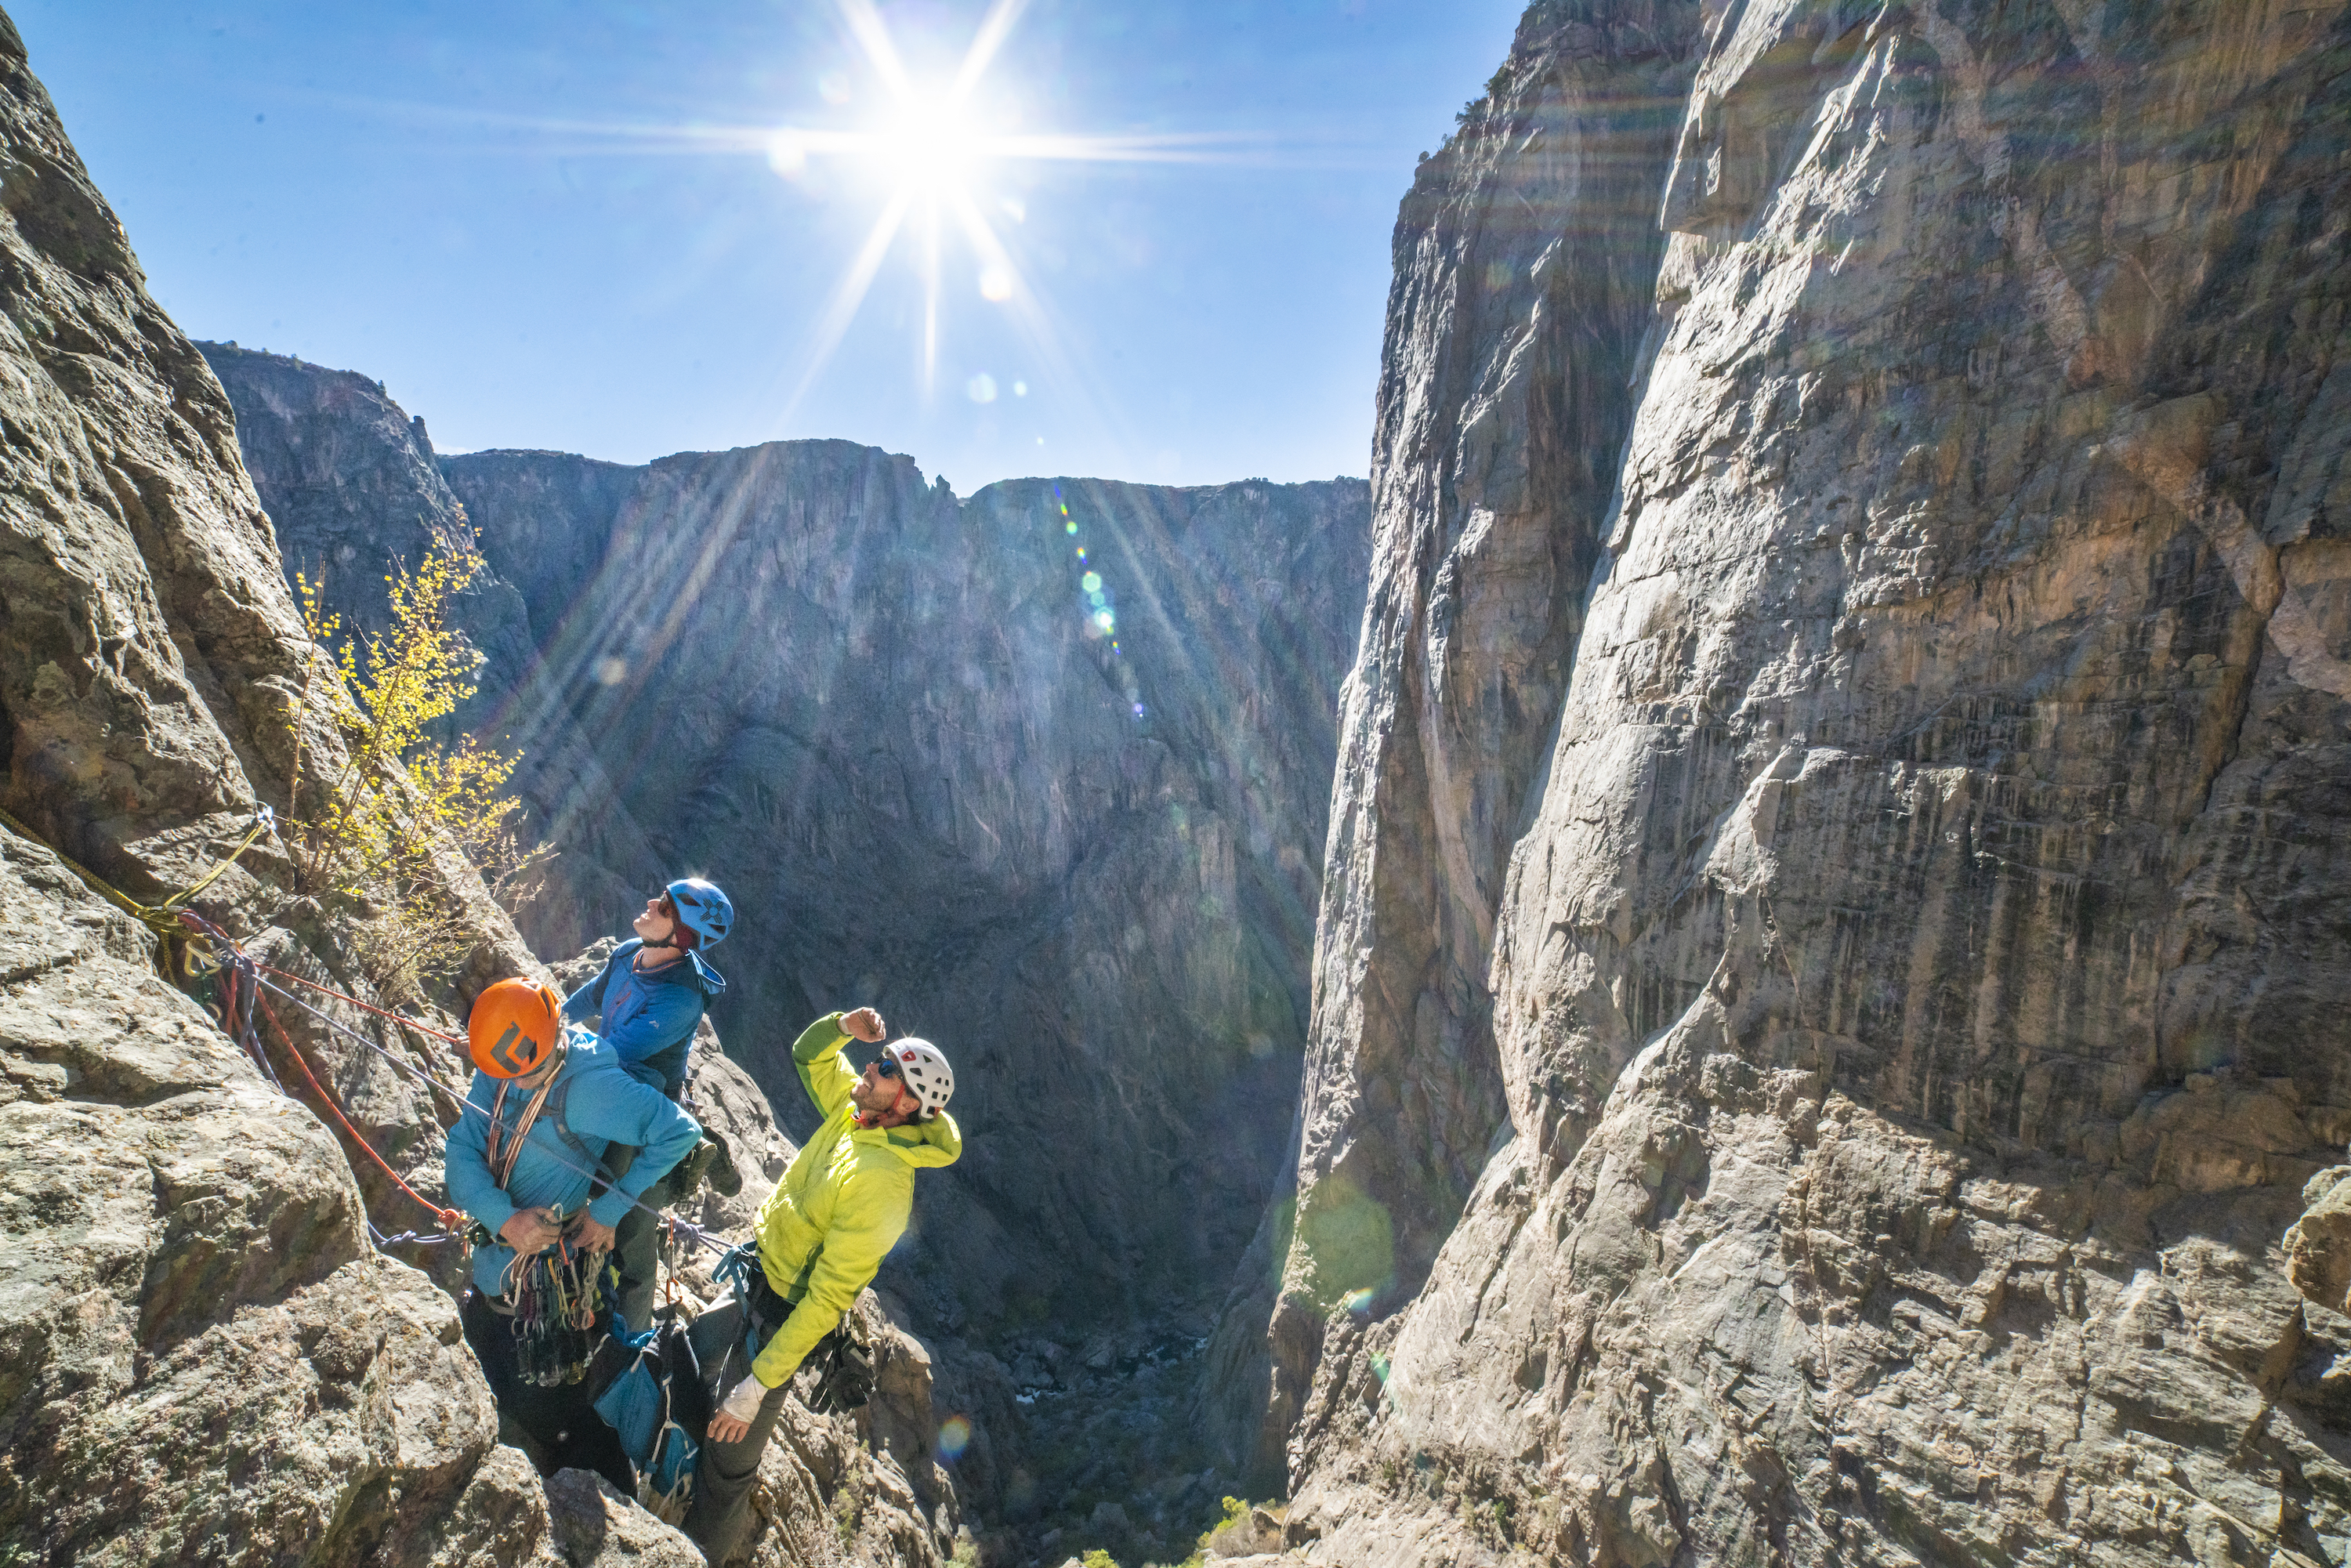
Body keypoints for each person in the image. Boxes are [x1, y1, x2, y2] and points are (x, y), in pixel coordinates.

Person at [683, 1005, 962, 1563]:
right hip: (755, 1277)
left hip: (780, 1319)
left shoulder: (883, 1186)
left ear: (908, 1104)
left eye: (887, 1069)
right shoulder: (856, 1113)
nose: (871, 1067)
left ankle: (692, 1553)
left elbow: (826, 1300)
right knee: (685, 1364)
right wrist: (843, 1026)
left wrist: (758, 1384)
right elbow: (808, 1056)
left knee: (728, 1466)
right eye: (878, 1058)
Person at [444, 976, 703, 1489]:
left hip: (542, 1293)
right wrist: (505, 1218)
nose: (511, 1084)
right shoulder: (503, 1066)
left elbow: (679, 1131)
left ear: (548, 1045)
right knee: (485, 1365)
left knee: (554, 1416)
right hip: (500, 1271)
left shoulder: (589, 1088)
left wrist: (608, 1209)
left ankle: (614, 1493)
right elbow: (462, 1150)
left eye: (523, 1074)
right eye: (503, 1074)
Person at [563, 877, 733, 1329]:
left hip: (645, 1124)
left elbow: (616, 1051)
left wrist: (544, 1048)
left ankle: (630, 1342)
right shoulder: (627, 954)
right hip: (606, 1091)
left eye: (664, 906)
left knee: (631, 1238)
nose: (650, 903)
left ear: (681, 936)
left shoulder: (680, 999)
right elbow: (591, 997)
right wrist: (545, 1023)